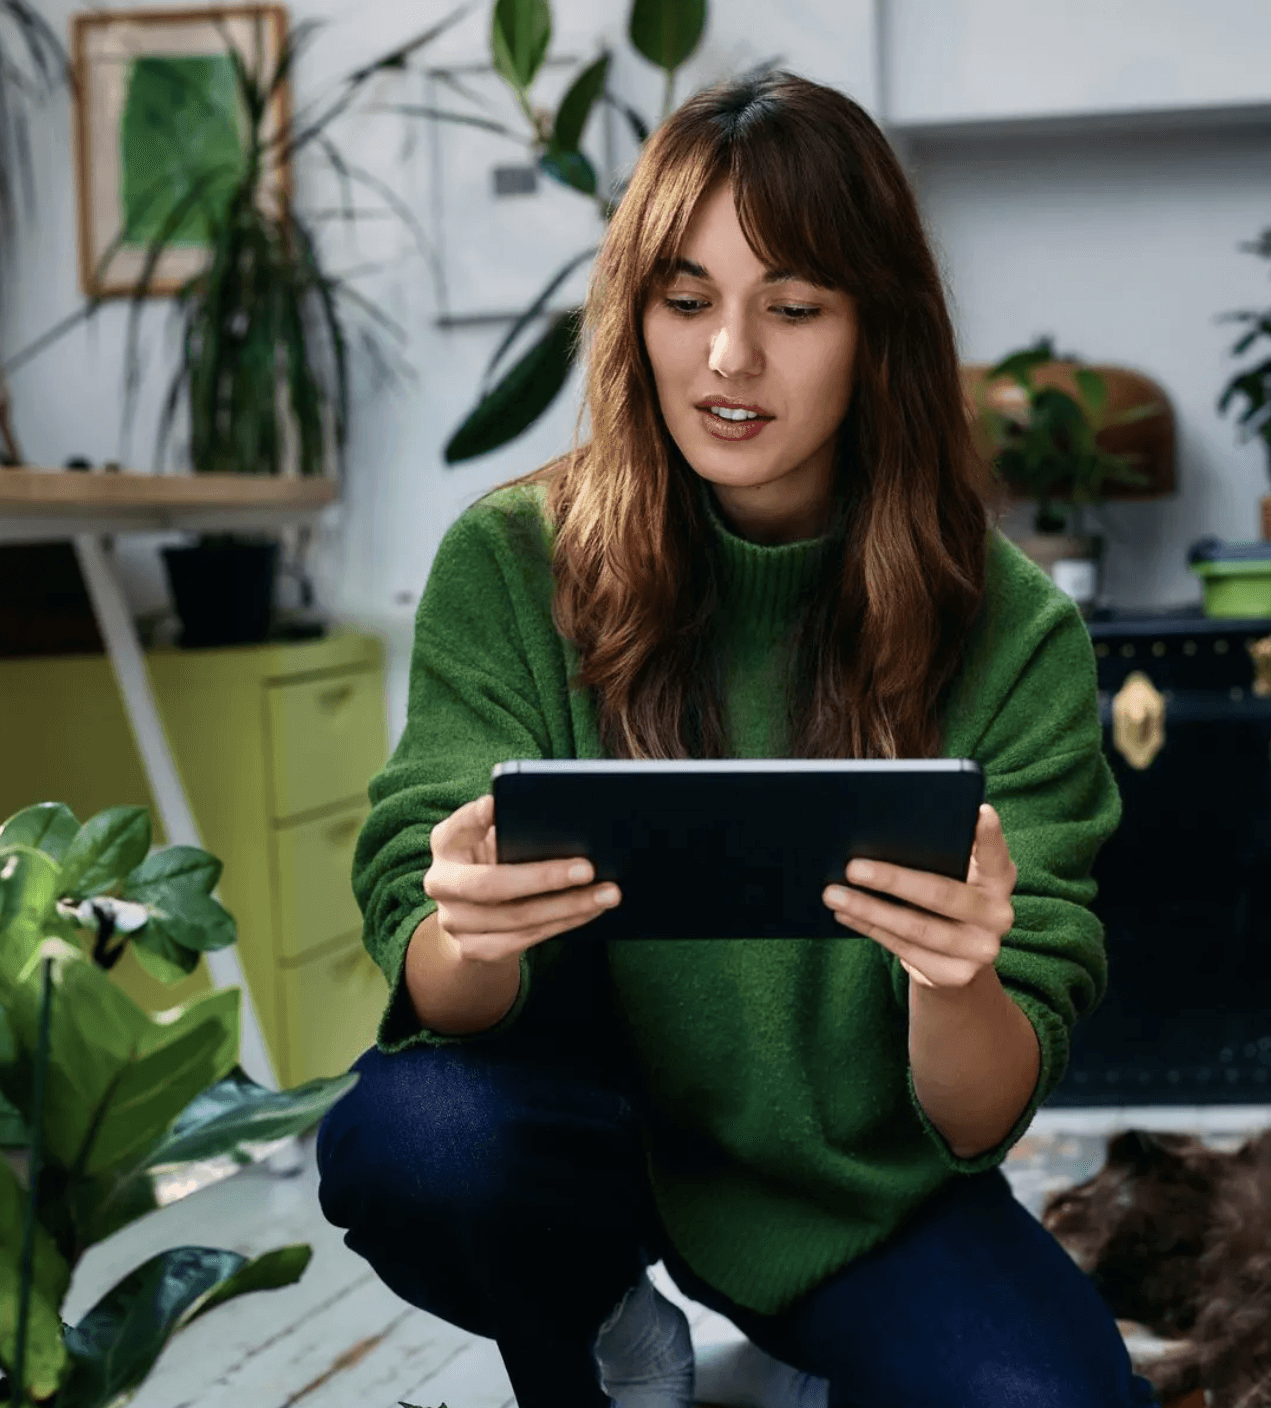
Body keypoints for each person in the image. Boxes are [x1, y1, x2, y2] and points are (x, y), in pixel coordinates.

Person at [314, 69, 1149, 1408]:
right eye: (686, 300)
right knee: (416, 1141)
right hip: (571, 1143)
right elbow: (424, 958)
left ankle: (806, 1356)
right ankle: (601, 1319)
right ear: (633, 314)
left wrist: (958, 979)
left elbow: (983, 1111)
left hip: (856, 1187)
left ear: (878, 329)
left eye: (795, 308)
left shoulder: (1014, 629)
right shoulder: (511, 561)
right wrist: (462, 929)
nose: (728, 360)